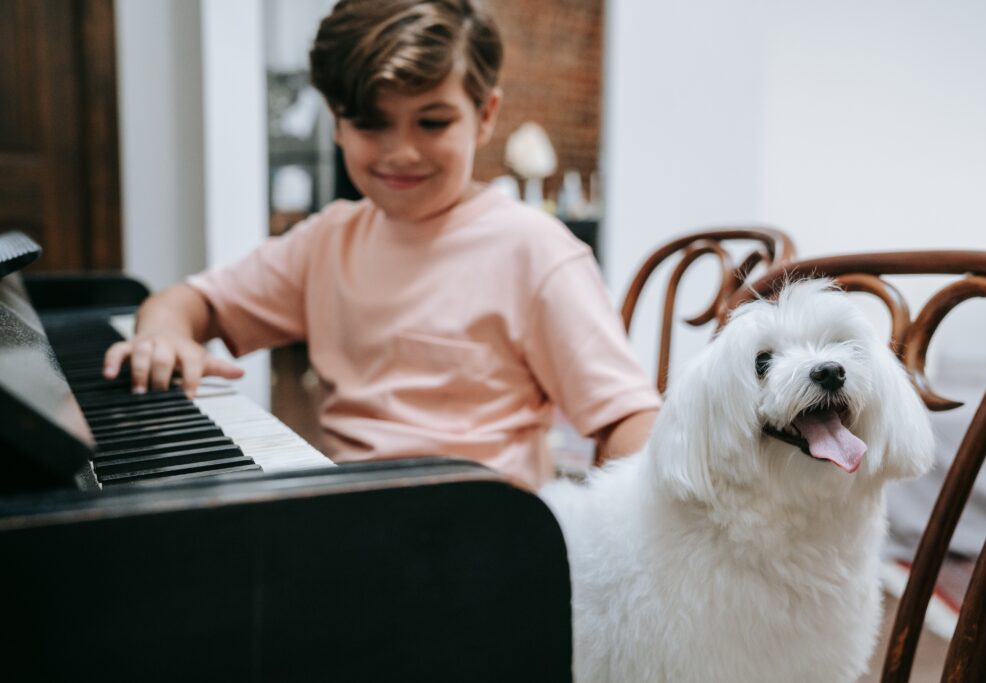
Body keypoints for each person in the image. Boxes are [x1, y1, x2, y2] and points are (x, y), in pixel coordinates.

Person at [103, 0, 660, 489]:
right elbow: (189, 301)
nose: (401, 152)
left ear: (484, 116)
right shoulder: (328, 240)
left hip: (485, 541)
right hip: (356, 519)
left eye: (432, 122)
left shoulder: (534, 251)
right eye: (371, 123)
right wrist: (163, 334)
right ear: (337, 124)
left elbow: (628, 419)